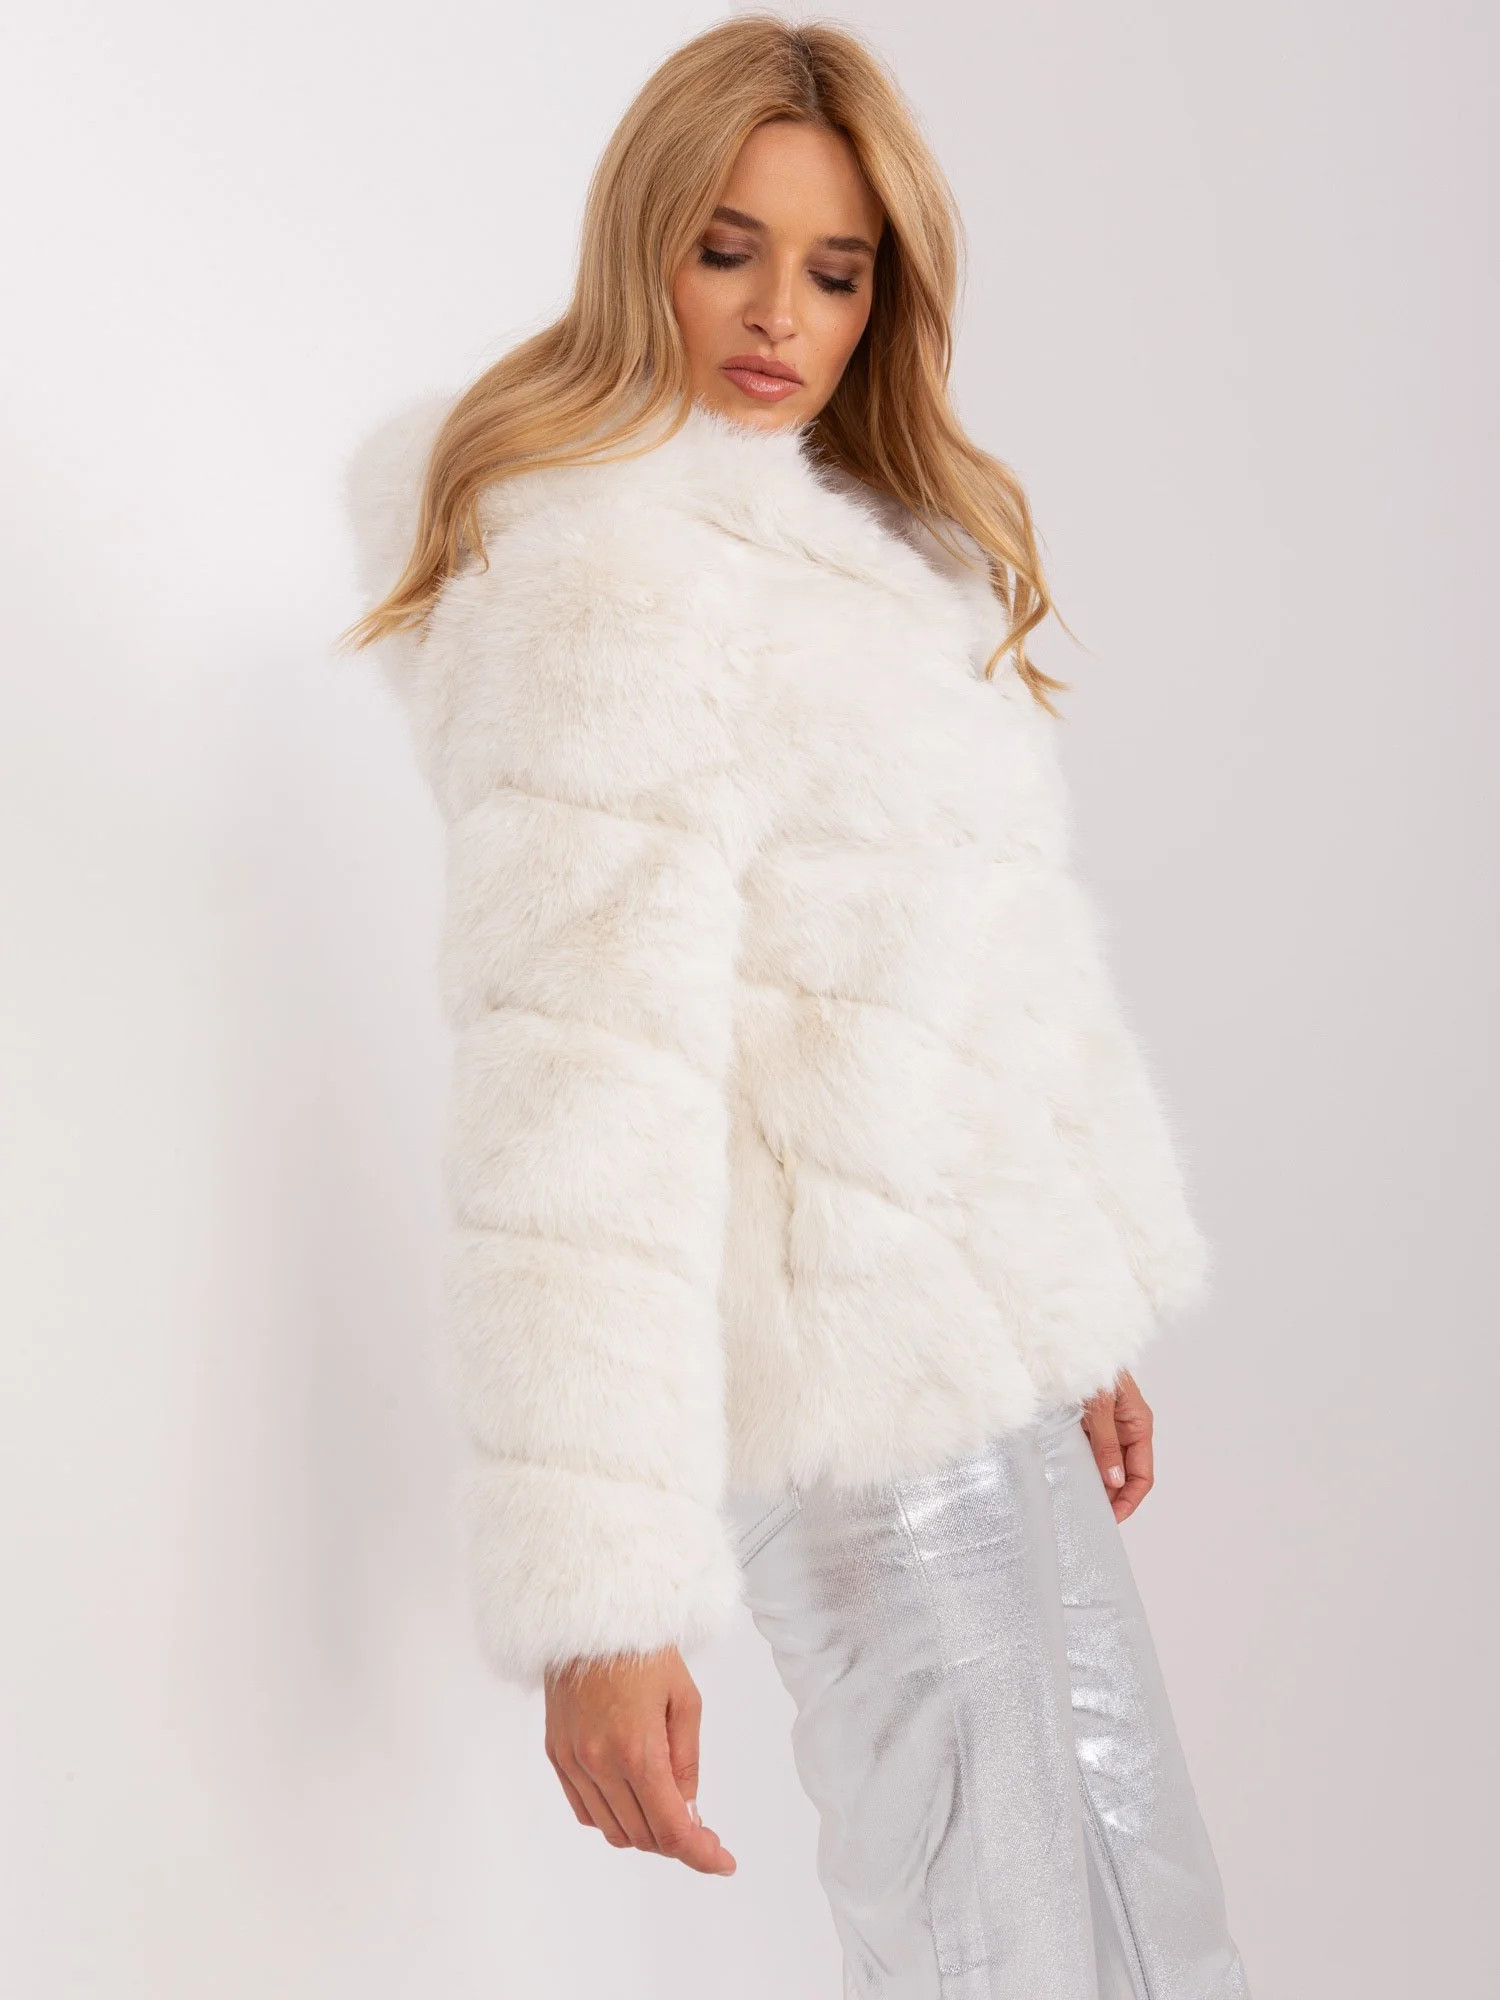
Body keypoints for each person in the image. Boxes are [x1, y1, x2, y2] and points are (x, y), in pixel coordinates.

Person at [342, 15, 1251, 1996]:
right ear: (641, 247)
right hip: (850, 1411)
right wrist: (600, 1591)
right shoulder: (605, 582)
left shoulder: (870, 570)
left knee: (1133, 1911)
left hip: (989, 1375)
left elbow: (987, 968)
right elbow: (577, 1098)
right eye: (727, 248)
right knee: (1000, 1944)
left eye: (837, 272)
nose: (781, 315)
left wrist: (1067, 1295)